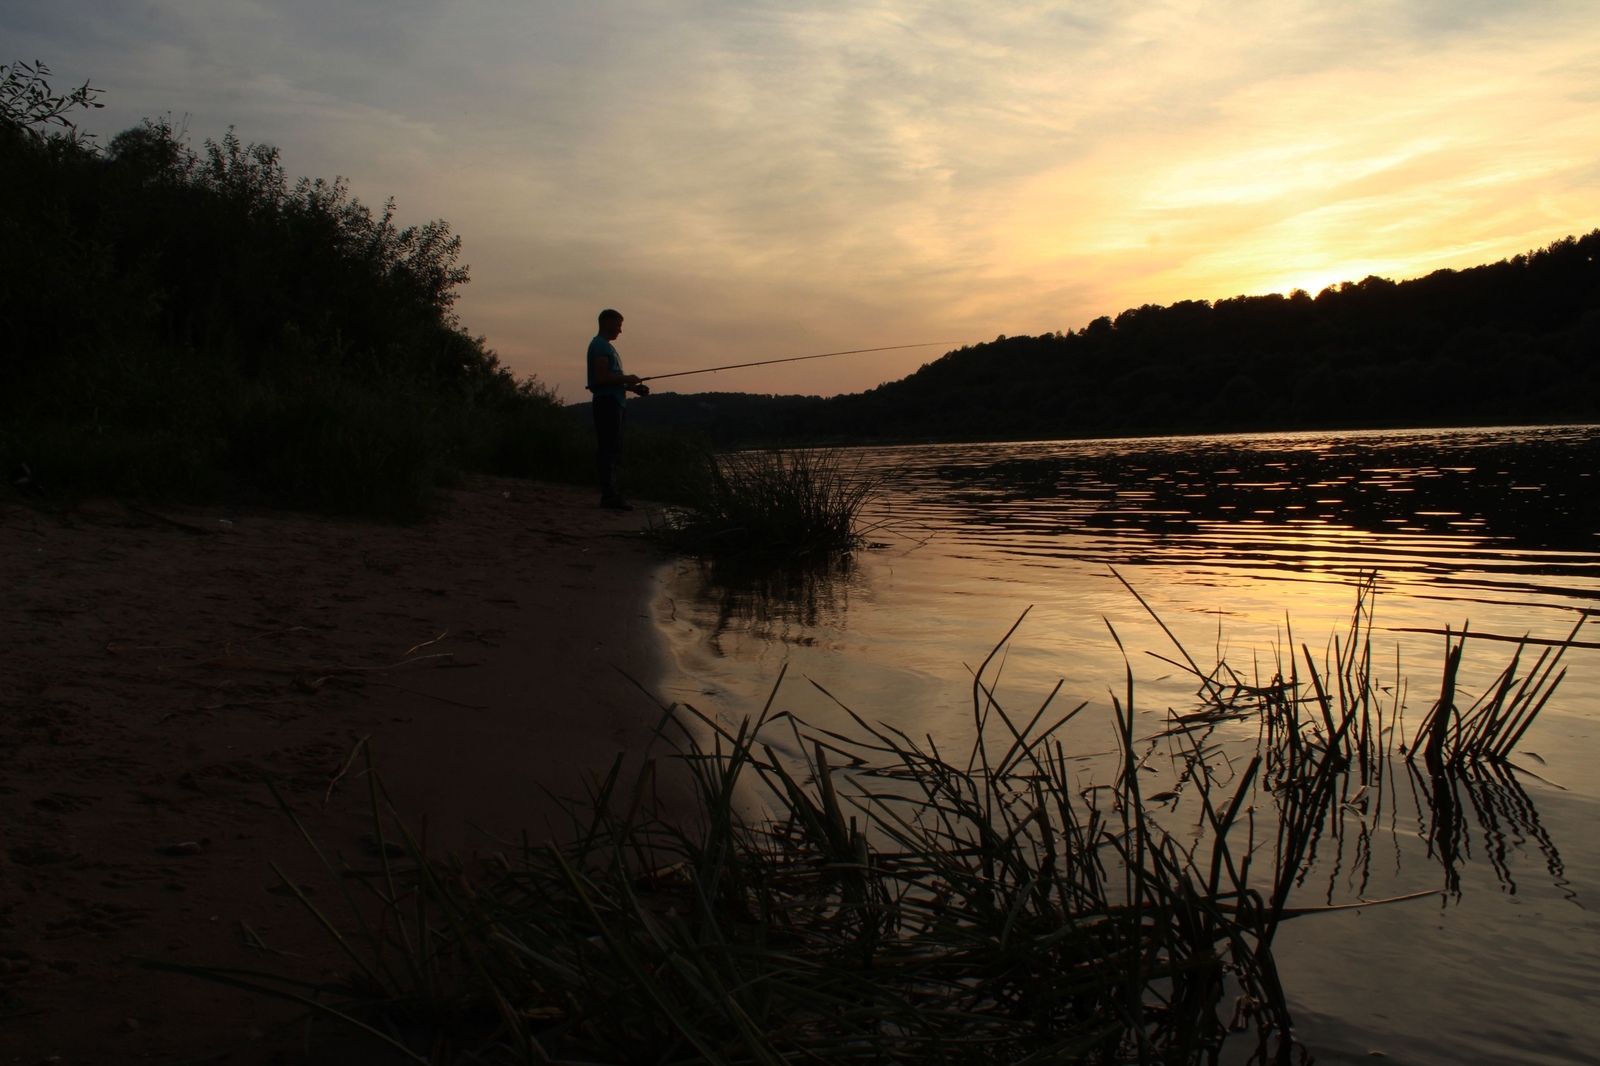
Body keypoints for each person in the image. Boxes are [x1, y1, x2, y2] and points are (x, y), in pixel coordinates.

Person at [586, 308, 649, 510]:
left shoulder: (608, 348)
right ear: (606, 323)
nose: (620, 331)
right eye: (618, 325)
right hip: (607, 403)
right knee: (609, 450)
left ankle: (612, 494)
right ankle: (609, 497)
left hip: (615, 402)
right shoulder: (599, 346)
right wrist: (627, 378)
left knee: (615, 450)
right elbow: (601, 378)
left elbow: (611, 379)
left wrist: (633, 387)